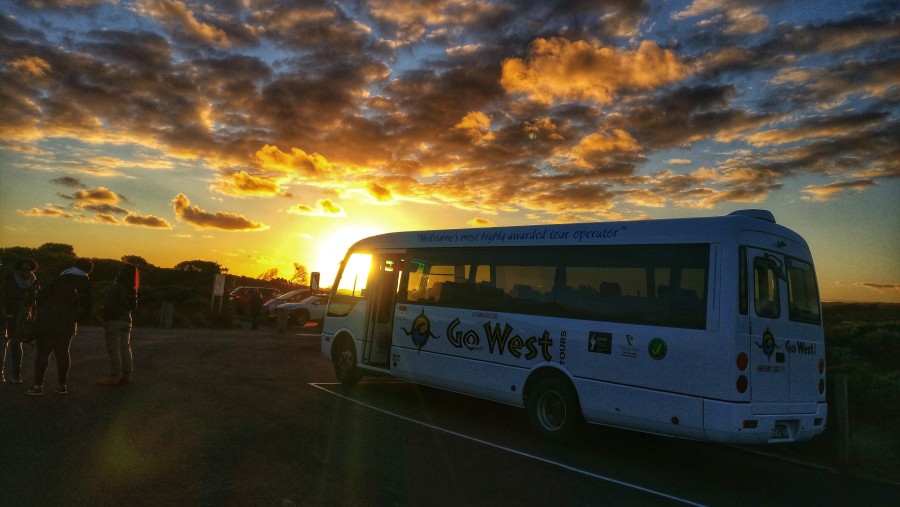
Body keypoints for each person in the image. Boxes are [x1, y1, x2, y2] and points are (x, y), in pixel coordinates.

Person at [27, 258, 94, 396]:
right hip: (66, 322)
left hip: (47, 320)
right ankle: (62, 386)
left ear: (74, 266)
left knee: (43, 353)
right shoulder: (85, 282)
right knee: (63, 353)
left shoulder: (59, 278)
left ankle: (37, 386)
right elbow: (88, 307)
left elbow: (40, 296)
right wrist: (75, 318)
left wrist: (42, 313)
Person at [97, 263, 139, 386]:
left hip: (114, 320)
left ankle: (114, 376)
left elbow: (109, 304)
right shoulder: (132, 288)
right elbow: (133, 306)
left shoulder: (117, 287)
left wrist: (105, 317)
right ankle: (127, 374)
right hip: (126, 319)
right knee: (125, 347)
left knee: (113, 348)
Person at [2, 259, 40, 384]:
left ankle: (16, 374)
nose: (26, 271)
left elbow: (35, 301)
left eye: (29, 269)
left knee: (16, 345)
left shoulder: (33, 281)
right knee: (2, 344)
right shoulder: (8, 279)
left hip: (22, 315)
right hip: (5, 313)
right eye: (23, 269)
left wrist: (33, 318)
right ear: (17, 269)